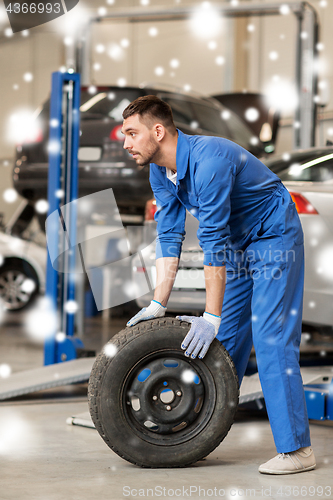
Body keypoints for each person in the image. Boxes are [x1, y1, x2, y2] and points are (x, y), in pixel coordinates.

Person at [122, 95, 316, 475]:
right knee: (224, 341)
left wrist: (210, 313)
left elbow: (212, 243)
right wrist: (158, 302)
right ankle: (198, 434)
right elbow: (170, 236)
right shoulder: (160, 171)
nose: (126, 143)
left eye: (132, 133)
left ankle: (297, 450)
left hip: (274, 236)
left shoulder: (210, 160)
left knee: (270, 335)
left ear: (158, 131)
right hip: (239, 243)